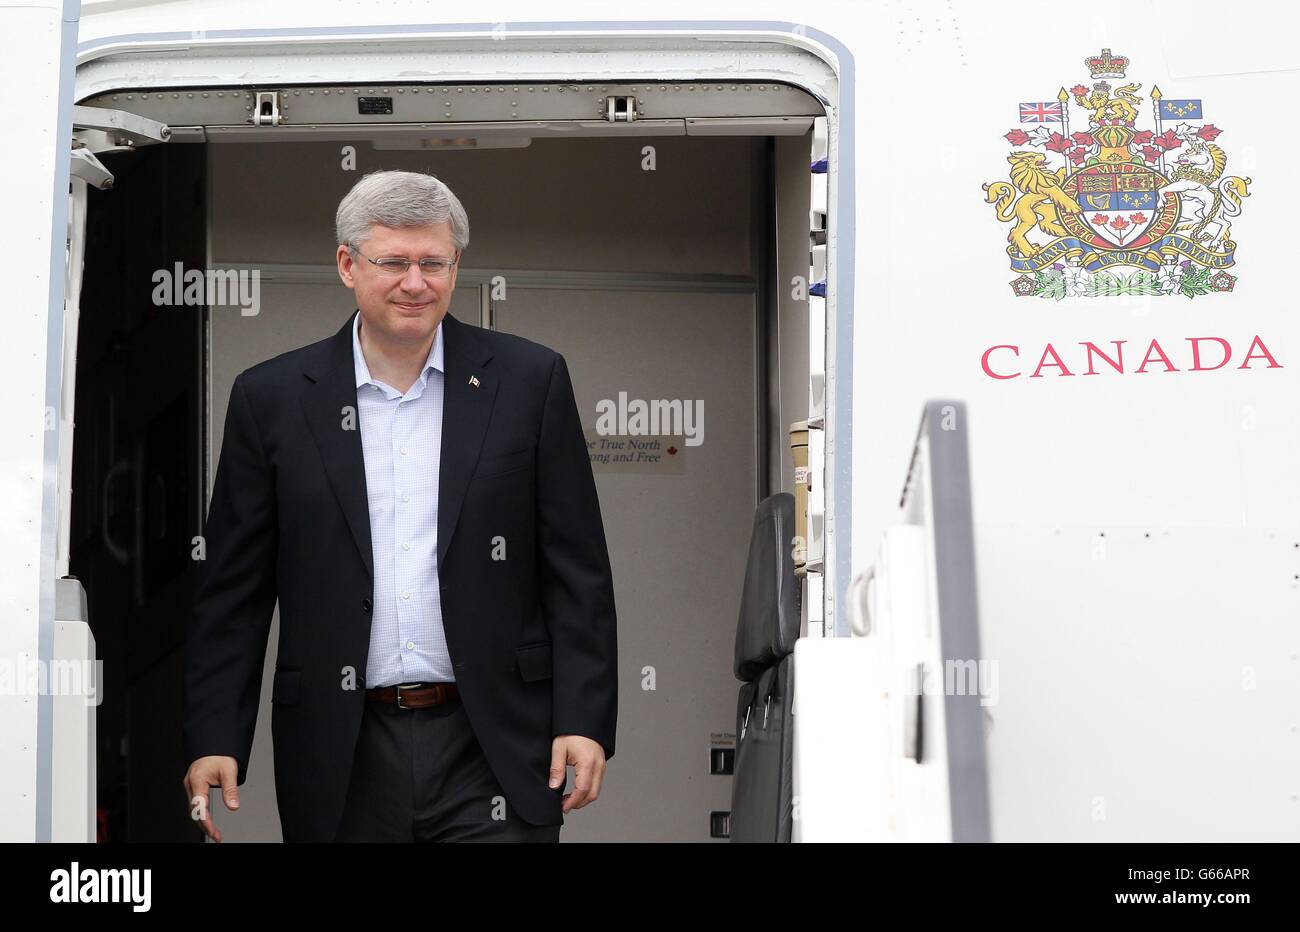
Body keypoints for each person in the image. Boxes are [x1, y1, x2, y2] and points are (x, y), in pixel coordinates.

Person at [181, 169, 618, 842]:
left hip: (493, 745)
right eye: (393, 262)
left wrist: (584, 720)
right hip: (343, 746)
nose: (415, 282)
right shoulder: (271, 400)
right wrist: (215, 735)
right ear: (347, 266)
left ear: (455, 265)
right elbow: (232, 592)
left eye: (432, 262)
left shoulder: (530, 382)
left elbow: (577, 571)